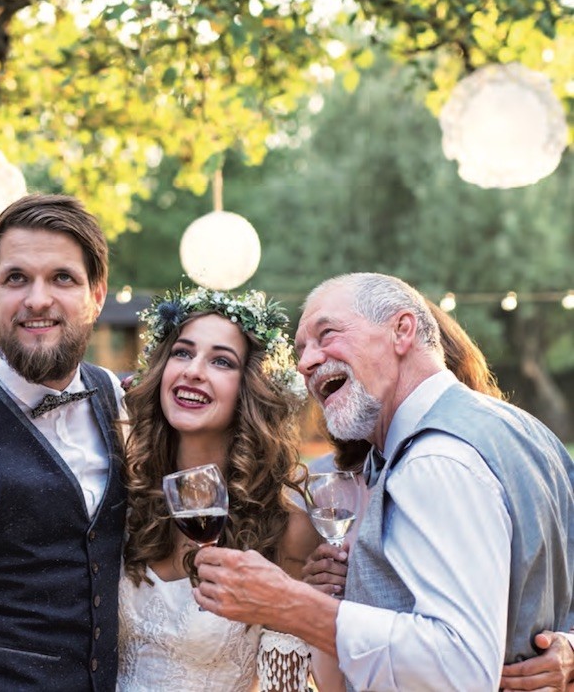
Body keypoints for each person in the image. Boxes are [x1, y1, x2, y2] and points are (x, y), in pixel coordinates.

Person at [193, 272, 574, 691]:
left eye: (327, 334)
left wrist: (291, 605)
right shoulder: (524, 429)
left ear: (402, 331)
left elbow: (459, 667)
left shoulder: (435, 460)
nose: (305, 362)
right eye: (302, 350)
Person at [303, 298, 574, 691]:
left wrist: (299, 610)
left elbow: (459, 659)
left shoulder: (441, 460)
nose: (308, 362)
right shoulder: (340, 476)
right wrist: (335, 593)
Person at [0, 194, 126, 691]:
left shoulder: (116, 397)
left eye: (62, 278)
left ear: (97, 295)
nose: (37, 299)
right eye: (16, 278)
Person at [116, 287, 320, 691]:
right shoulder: (125, 496)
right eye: (182, 352)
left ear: (251, 387)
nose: (193, 370)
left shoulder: (285, 527)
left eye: (221, 361)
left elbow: (290, 686)